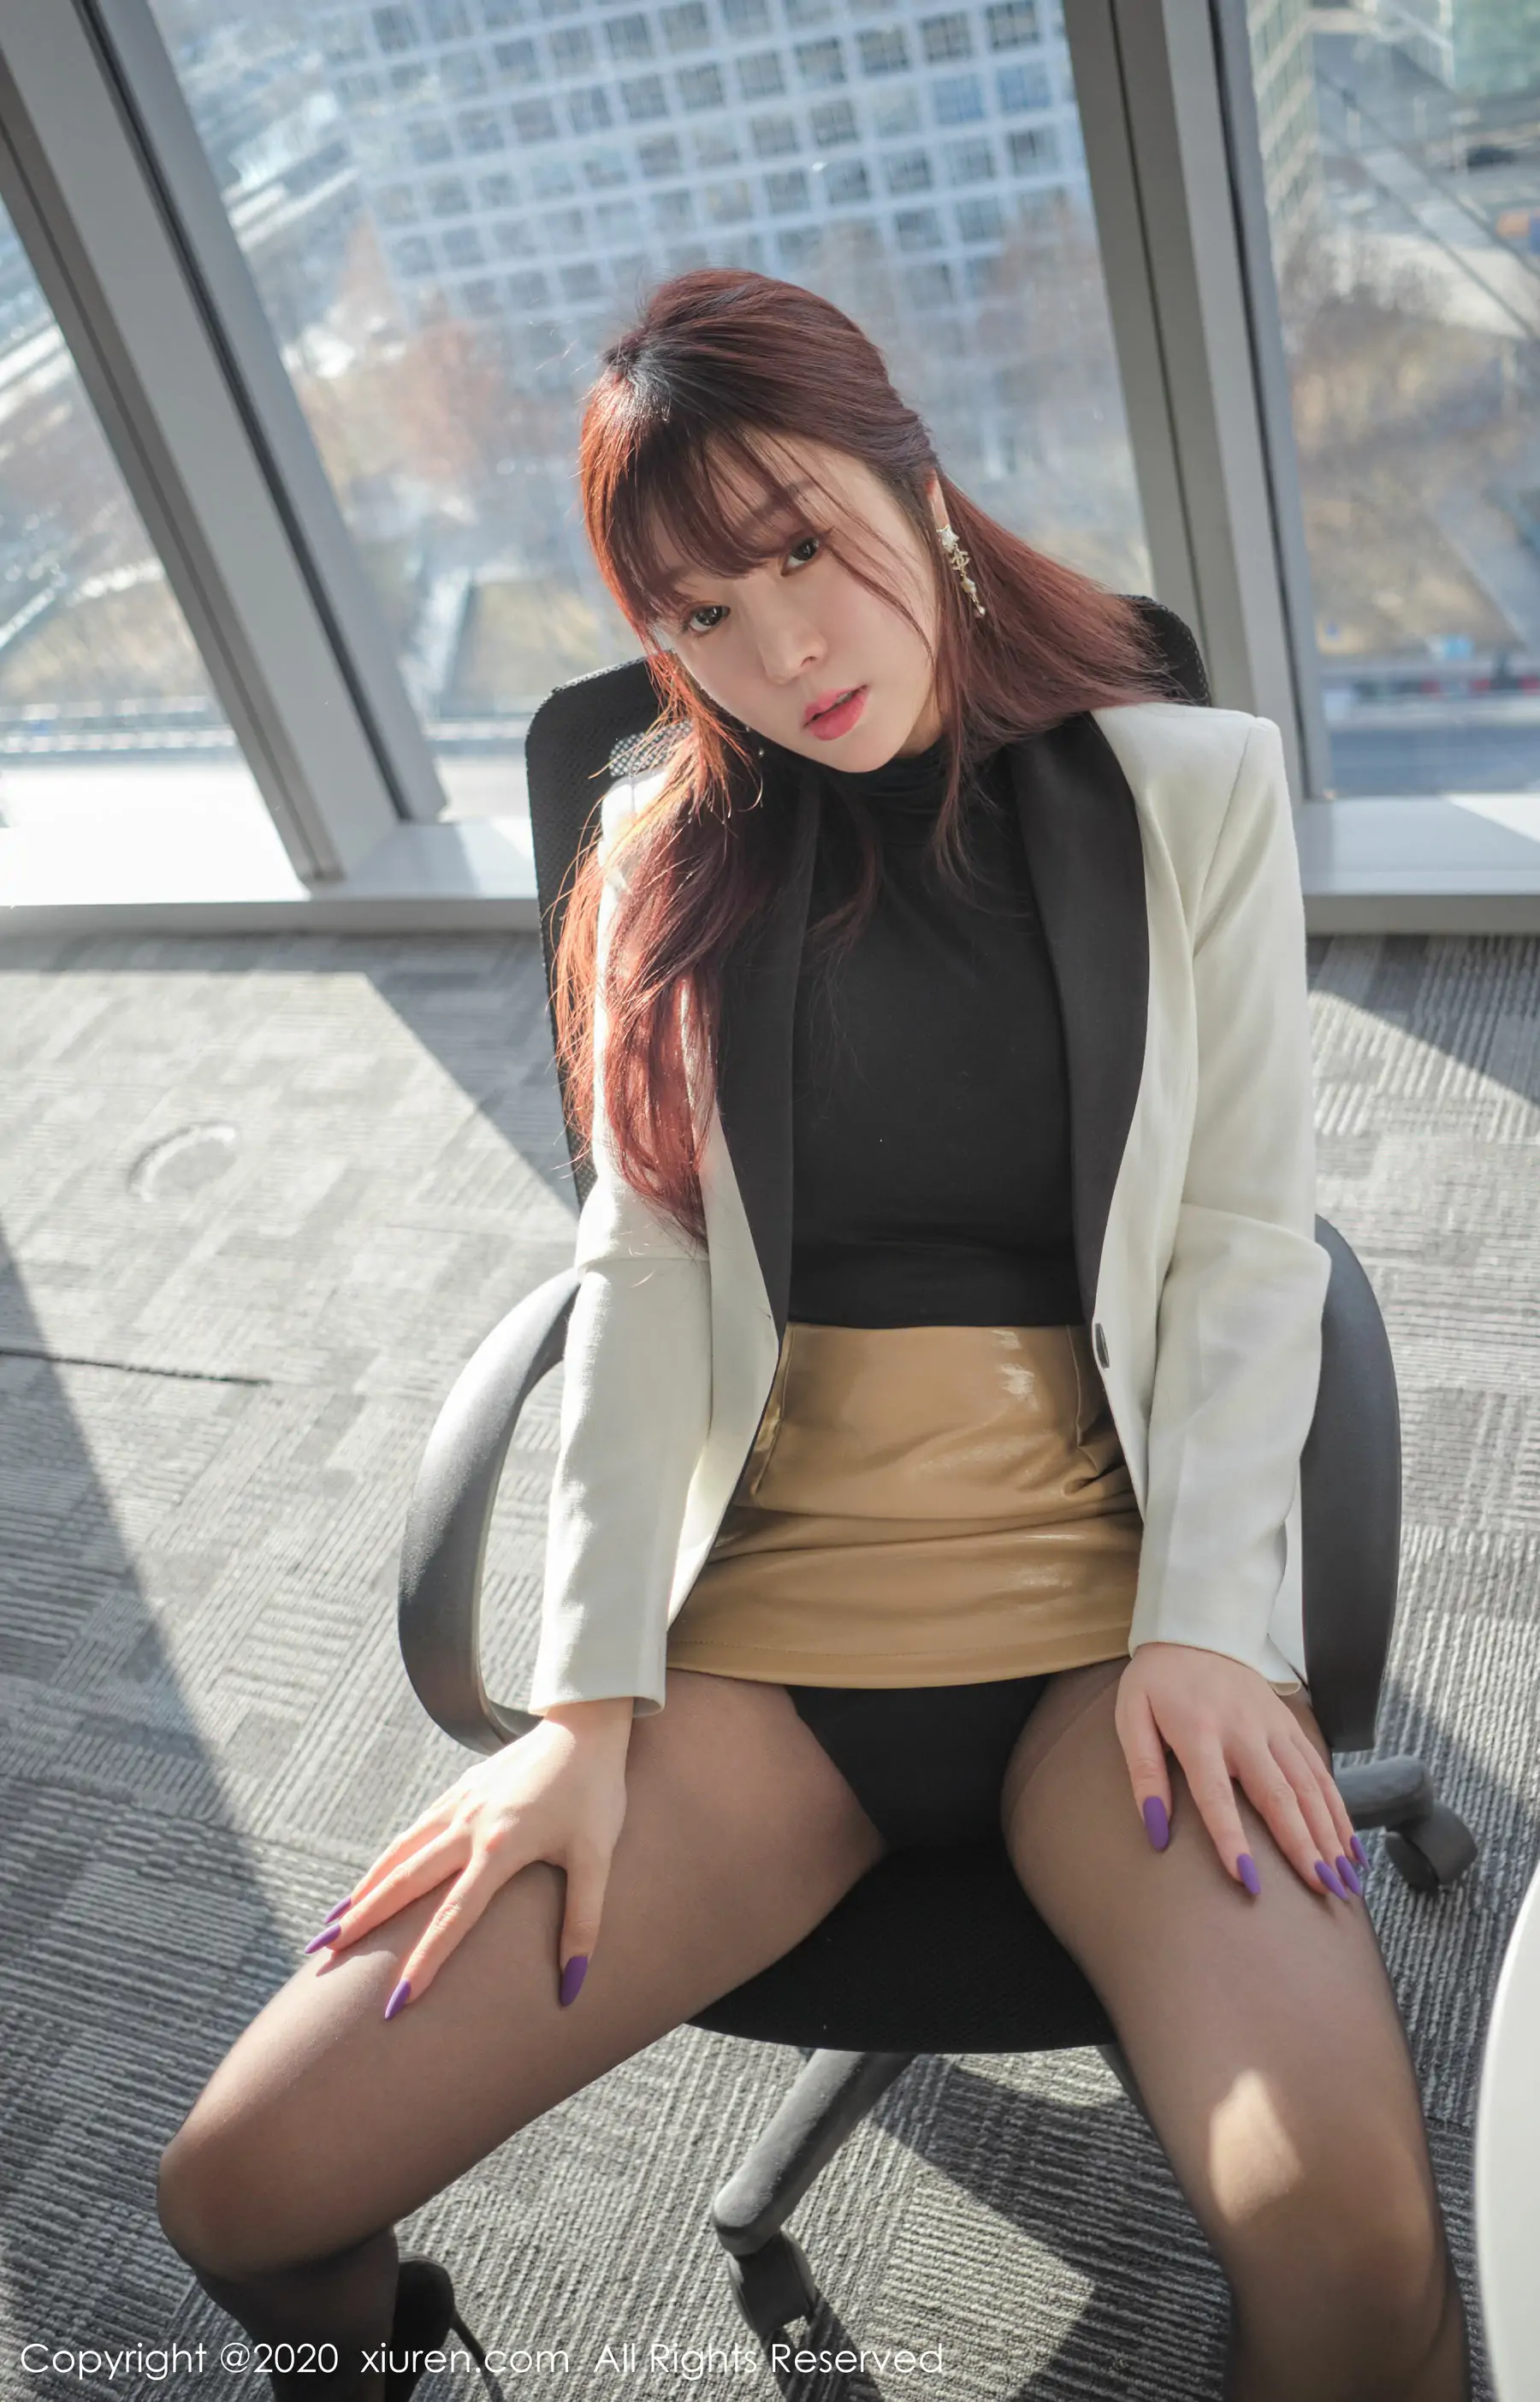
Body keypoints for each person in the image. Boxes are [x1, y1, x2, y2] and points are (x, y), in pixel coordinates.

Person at [155, 270, 1472, 2402]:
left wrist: (1212, 1618)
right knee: (242, 2189)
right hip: (765, 1643)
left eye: (803, 550)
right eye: (702, 612)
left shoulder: (1193, 791)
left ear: (913, 485)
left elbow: (1244, 1242)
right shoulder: (658, 852)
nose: (782, 652)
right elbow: (642, 1275)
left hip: (1114, 1613)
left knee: (1356, 2247)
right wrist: (585, 1702)